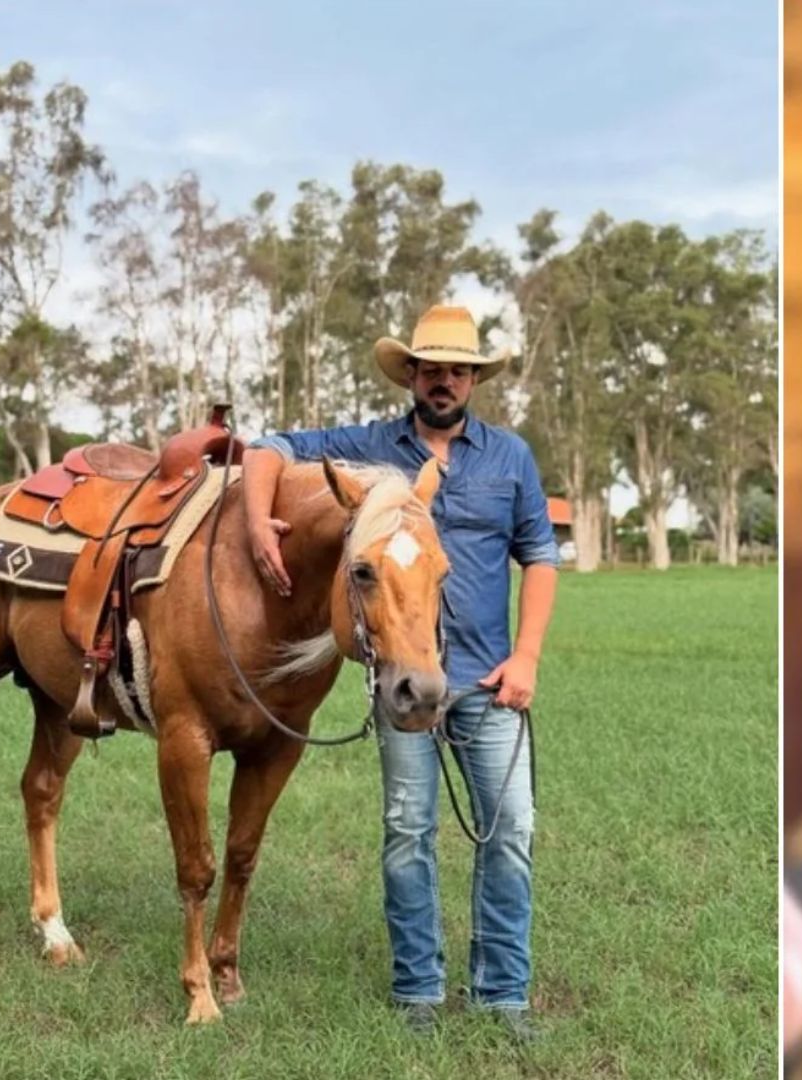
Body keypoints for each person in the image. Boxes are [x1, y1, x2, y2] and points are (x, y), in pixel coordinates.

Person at [242, 304, 559, 1039]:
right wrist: (259, 521)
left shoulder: (510, 458)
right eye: (431, 368)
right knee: (408, 832)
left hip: (488, 682)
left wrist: (527, 656)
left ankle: (503, 995)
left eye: (459, 370)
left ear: (474, 379)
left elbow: (540, 557)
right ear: (410, 374)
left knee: (511, 829)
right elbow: (267, 446)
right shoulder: (367, 448)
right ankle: (418, 990)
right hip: (403, 683)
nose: (444, 380)